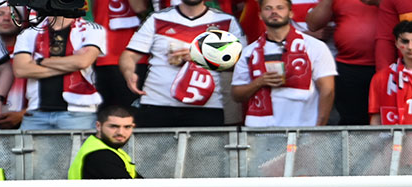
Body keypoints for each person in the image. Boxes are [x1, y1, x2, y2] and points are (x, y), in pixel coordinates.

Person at [120, 0, 244, 128]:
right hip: (157, 103)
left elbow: (240, 64)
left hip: (206, 106)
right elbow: (129, 55)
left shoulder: (226, 21)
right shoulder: (157, 18)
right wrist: (128, 72)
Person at [232, 0, 337, 128]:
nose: (274, 12)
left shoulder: (315, 47)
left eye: (280, 8)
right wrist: (259, 82)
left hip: (303, 129)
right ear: (260, 15)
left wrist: (319, 128)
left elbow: (328, 91)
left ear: (291, 13)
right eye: (268, 8)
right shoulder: (249, 52)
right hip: (259, 131)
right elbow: (237, 94)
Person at [10, 14, 106, 131]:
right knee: (28, 149)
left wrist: (40, 61)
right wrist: (70, 64)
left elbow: (83, 62)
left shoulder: (92, 29)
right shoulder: (28, 33)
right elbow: (20, 70)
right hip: (36, 112)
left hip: (79, 112)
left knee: (79, 150)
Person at [305, 0, 379, 125]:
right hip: (348, 66)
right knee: (351, 120)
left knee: (381, 118)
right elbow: (313, 24)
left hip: (384, 66)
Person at [90, 0, 150, 108]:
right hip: (103, 53)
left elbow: (139, 8)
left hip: (132, 56)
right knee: (105, 112)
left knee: (129, 112)